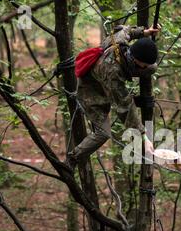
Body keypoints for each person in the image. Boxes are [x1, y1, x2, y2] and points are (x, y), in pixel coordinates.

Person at [65, 25, 160, 171]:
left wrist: (144, 32)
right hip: (91, 92)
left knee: (152, 67)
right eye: (143, 64)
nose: (144, 67)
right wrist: (143, 137)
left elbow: (126, 30)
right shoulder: (113, 73)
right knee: (103, 134)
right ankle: (73, 158)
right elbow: (125, 107)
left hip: (109, 76)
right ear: (135, 60)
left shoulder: (121, 42)